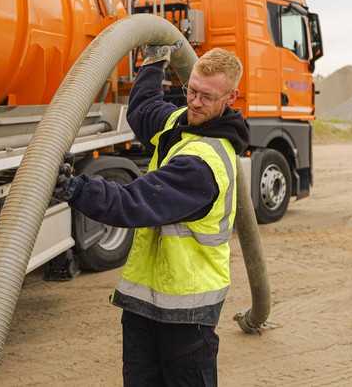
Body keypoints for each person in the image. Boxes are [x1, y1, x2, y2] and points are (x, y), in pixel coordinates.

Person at [54, 45, 249, 386]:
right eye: (191, 90)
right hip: (145, 300)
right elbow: (144, 109)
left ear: (231, 97)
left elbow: (133, 202)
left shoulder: (205, 164)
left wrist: (75, 189)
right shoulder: (180, 122)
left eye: (206, 97)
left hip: (187, 310)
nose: (194, 102)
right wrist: (154, 62)